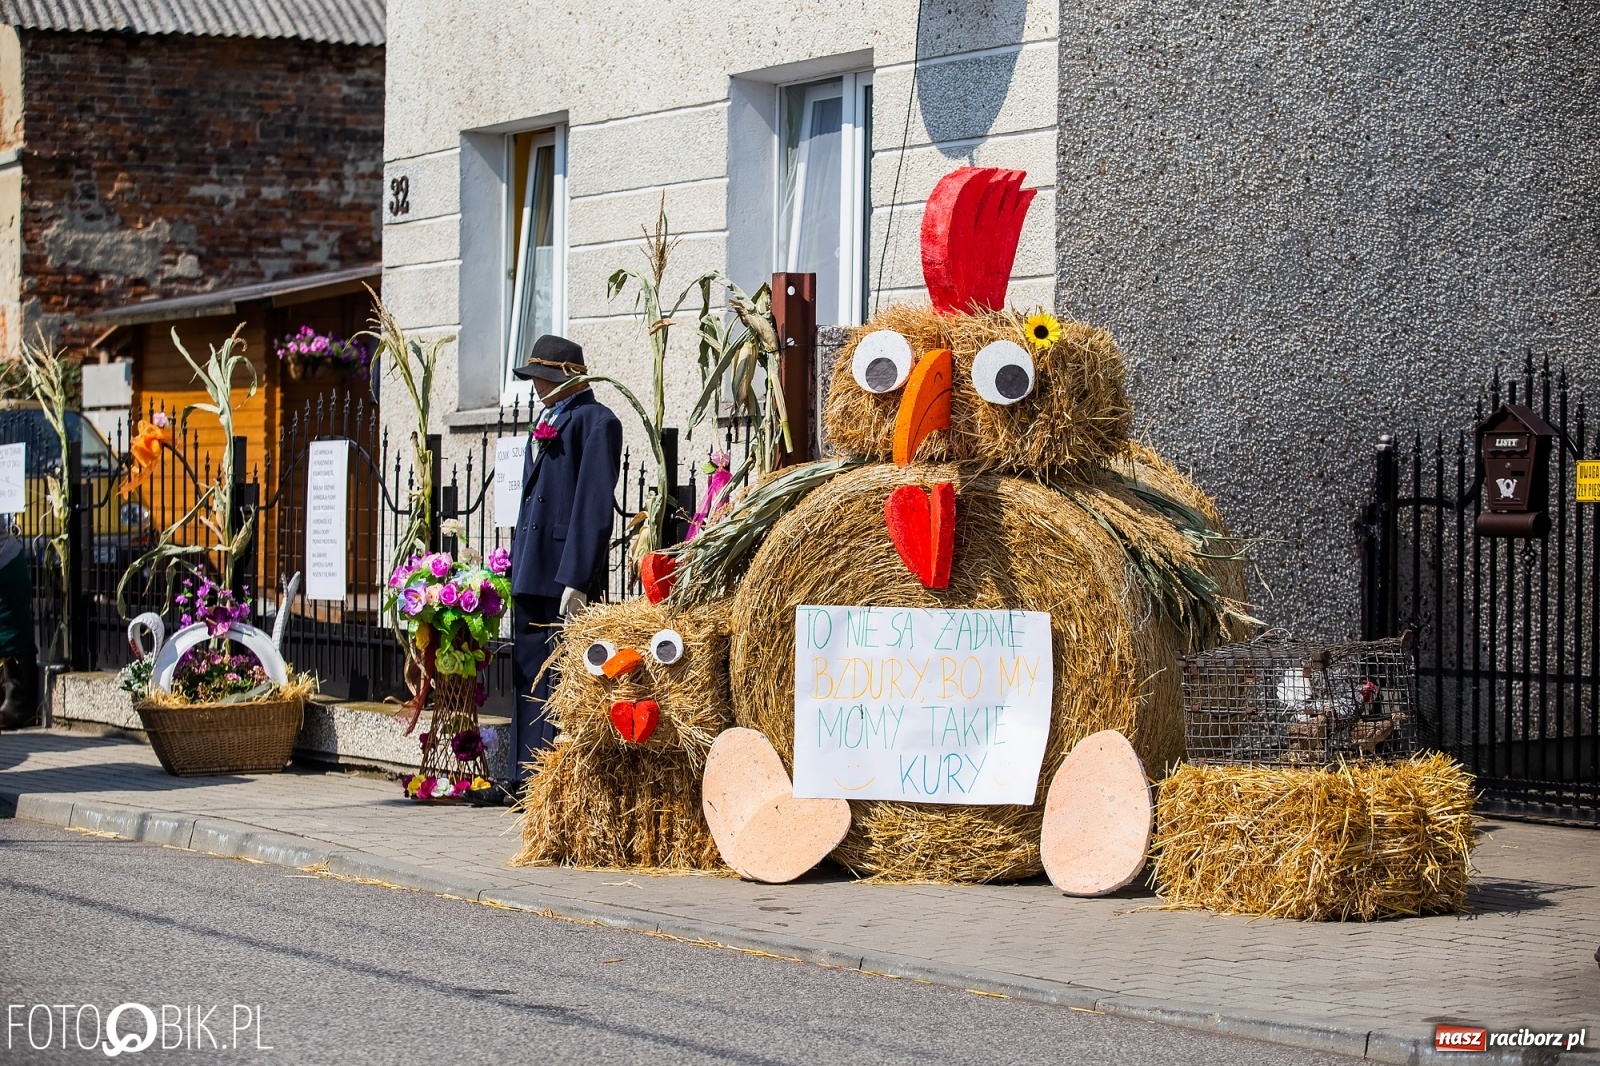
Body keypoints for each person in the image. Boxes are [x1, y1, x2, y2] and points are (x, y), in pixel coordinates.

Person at [508, 335, 621, 779]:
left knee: (558, 679)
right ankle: (522, 776)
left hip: (560, 574)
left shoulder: (597, 422)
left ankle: (550, 778)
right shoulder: (547, 418)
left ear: (570, 379)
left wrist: (577, 577)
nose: (537, 386)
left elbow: (592, 507)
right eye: (535, 377)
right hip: (531, 566)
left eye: (544, 377)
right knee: (527, 674)